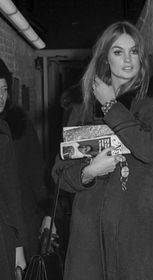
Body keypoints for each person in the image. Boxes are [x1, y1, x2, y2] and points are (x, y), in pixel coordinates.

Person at [52, 21, 153, 280]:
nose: (128, 60)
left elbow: (148, 149)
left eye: (134, 51)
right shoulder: (82, 104)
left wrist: (111, 105)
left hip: (135, 230)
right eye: (118, 52)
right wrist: (88, 172)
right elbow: (59, 174)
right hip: (90, 231)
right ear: (105, 58)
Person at [0, 58, 53, 263]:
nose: (1, 96)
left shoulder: (18, 124)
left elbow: (37, 172)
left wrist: (48, 215)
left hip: (23, 217)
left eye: (4, 89)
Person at [0, 119, 27, 279]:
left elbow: (12, 191)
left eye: (4, 91)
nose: (1, 96)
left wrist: (19, 245)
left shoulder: (3, 128)